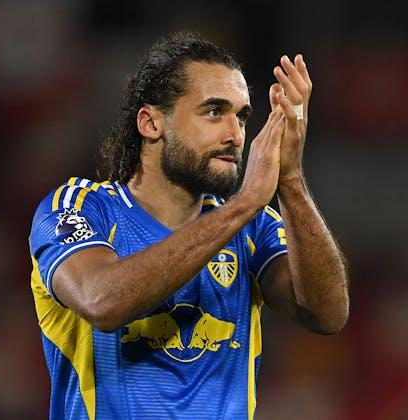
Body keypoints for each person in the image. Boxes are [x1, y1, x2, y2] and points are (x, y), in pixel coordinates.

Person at [29, 32, 349, 420]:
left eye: (241, 117)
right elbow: (102, 301)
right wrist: (245, 203)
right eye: (214, 112)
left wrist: (291, 180)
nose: (235, 135)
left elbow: (327, 315)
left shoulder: (253, 229)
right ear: (151, 123)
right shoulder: (79, 208)